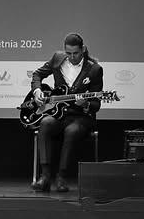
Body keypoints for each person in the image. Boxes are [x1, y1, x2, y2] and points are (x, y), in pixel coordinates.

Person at [30, 33, 103, 192]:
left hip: (81, 117)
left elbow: (96, 104)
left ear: (83, 49)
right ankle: (45, 176)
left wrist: (86, 104)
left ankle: (61, 177)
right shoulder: (57, 58)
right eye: (68, 53)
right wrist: (37, 91)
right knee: (45, 123)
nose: (71, 57)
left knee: (71, 131)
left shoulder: (94, 70)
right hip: (59, 114)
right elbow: (37, 75)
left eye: (75, 53)